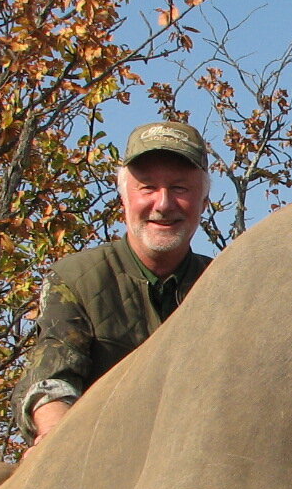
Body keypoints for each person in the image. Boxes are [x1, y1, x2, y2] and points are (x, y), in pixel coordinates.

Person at [14, 120, 212, 443]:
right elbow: (50, 384)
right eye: (147, 188)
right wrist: (54, 438)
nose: (163, 204)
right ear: (124, 199)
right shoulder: (76, 279)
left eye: (180, 189)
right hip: (101, 461)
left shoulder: (225, 285)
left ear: (203, 203)